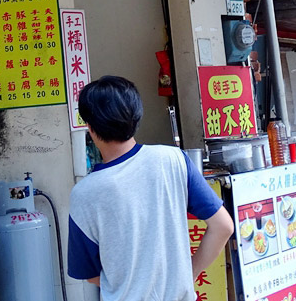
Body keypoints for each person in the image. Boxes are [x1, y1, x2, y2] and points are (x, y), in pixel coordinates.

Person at [67, 76, 234, 301]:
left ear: (90, 127)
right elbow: (223, 226)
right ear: (136, 117)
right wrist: (188, 273)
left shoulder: (84, 193)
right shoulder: (174, 160)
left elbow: (89, 274)